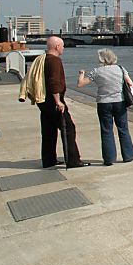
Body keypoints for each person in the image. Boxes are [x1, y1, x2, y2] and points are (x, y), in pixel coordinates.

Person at [77, 49, 133, 166]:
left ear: (101, 59)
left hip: (104, 103)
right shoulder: (121, 68)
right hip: (119, 102)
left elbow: (80, 84)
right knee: (123, 129)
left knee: (106, 130)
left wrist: (81, 74)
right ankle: (128, 155)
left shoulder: (96, 71)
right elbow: (130, 83)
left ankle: (109, 159)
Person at [39, 36, 89, 169]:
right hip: (53, 101)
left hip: (43, 100)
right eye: (62, 46)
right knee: (68, 128)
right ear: (57, 47)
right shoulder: (55, 61)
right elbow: (54, 81)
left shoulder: (42, 59)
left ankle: (48, 160)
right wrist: (58, 101)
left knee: (48, 130)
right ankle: (72, 160)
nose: (63, 48)